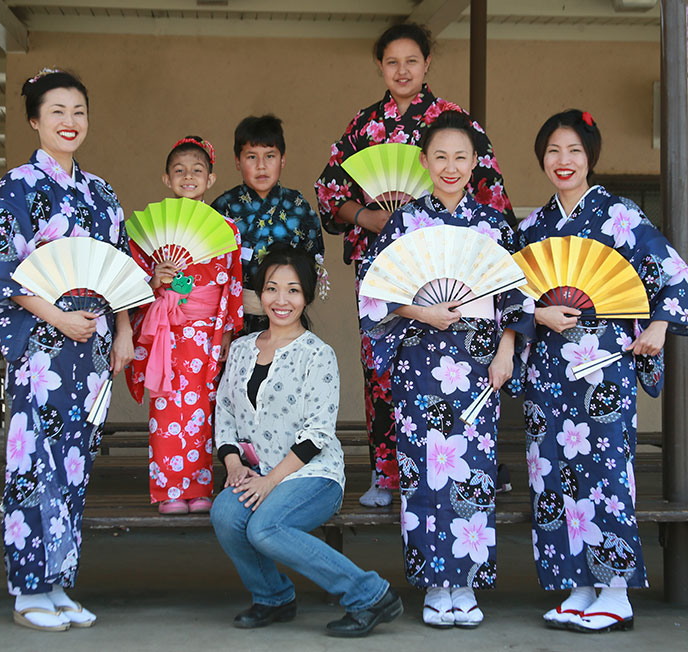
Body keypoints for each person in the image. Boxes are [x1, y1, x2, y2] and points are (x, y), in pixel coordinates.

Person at [314, 22, 514, 507]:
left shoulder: (453, 120)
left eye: (411, 61)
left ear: (427, 64)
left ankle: (461, 468)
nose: (402, 71)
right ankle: (389, 471)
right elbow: (329, 191)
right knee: (383, 367)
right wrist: (371, 217)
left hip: (455, 271)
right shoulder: (363, 126)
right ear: (380, 67)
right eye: (391, 62)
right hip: (388, 267)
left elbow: (491, 197)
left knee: (460, 369)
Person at [358, 111, 533, 628]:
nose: (450, 167)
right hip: (420, 365)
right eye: (440, 157)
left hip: (479, 366)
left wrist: (506, 352)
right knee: (426, 473)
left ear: (476, 163)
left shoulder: (495, 224)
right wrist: (420, 311)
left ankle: (467, 584)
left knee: (473, 472)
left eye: (461, 157)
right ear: (424, 162)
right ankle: (437, 585)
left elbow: (516, 298)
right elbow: (377, 290)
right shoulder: (405, 221)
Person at [0, 68, 134, 631]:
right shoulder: (16, 186)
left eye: (79, 111)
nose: (70, 122)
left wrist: (123, 332)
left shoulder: (102, 194)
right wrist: (57, 316)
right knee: (32, 464)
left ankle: (59, 581)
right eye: (57, 111)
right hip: (43, 349)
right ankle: (27, 591)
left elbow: (118, 273)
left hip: (90, 351)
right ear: (34, 120)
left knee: (74, 464)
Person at [518, 109, 688, 633]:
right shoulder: (532, 227)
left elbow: (674, 273)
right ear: (542, 159)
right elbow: (508, 298)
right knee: (551, 474)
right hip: (548, 371)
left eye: (573, 150)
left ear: (590, 156)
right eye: (553, 151)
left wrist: (659, 326)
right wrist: (534, 312)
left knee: (606, 474)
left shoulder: (620, 215)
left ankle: (616, 594)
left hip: (604, 370)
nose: (563, 161)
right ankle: (578, 585)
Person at [211, 244, 403, 638]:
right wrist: (233, 463)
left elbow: (317, 433)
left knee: (265, 527)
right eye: (272, 288)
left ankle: (370, 594)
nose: (281, 300)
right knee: (227, 515)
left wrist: (269, 481)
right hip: (258, 470)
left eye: (293, 290)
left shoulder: (318, 355)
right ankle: (273, 597)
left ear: (308, 295)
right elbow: (225, 411)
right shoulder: (244, 348)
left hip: (313, 475)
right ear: (259, 293)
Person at [125, 136, 243, 514]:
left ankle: (199, 486)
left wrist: (226, 333)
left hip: (206, 333)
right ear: (166, 179)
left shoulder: (226, 229)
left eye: (197, 170)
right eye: (179, 171)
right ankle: (168, 489)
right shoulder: (149, 234)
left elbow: (232, 283)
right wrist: (154, 279)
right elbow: (132, 284)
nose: (188, 177)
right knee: (165, 409)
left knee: (202, 409)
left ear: (211, 179)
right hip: (165, 332)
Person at [212, 115, 325, 334]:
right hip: (232, 321)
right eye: (251, 157)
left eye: (270, 156)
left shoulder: (298, 207)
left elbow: (314, 260)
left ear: (282, 160)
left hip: (286, 316)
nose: (261, 166)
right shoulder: (223, 208)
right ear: (237, 161)